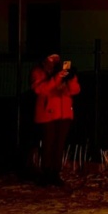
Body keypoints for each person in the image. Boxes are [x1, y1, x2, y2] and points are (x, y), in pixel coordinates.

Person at [30, 53, 80, 186]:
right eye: (51, 58)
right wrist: (57, 78)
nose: (54, 61)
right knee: (48, 144)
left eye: (56, 58)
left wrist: (71, 78)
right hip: (48, 114)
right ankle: (46, 173)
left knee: (59, 145)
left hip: (64, 114)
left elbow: (75, 90)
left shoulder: (60, 73)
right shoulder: (39, 72)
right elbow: (41, 89)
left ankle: (55, 173)